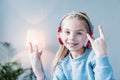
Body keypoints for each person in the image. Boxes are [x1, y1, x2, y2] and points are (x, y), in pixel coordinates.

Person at [29, 12, 114, 80]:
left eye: (79, 33)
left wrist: (102, 55)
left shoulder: (95, 57)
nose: (72, 38)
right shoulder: (62, 64)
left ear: (88, 36)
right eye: (67, 32)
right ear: (60, 35)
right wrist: (39, 73)